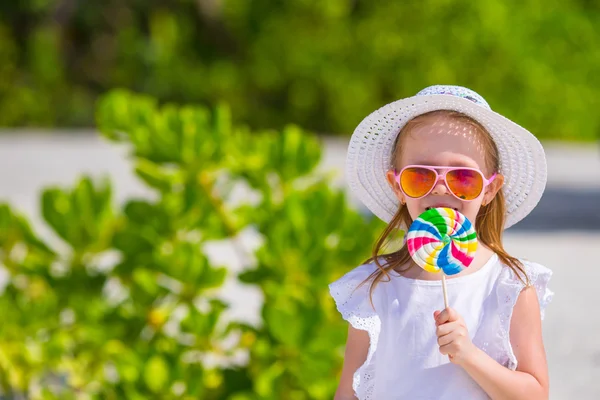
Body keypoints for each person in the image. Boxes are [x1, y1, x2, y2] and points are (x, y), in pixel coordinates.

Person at [329, 85, 553, 399]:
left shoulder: (509, 286)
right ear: (397, 186)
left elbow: (536, 394)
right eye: (420, 176)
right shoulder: (374, 286)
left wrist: (469, 355)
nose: (440, 189)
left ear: (489, 190)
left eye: (462, 178)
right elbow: (348, 392)